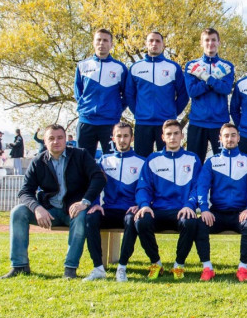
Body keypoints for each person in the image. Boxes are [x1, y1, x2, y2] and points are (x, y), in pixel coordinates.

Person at [0, 124, 106, 279]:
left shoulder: (80, 155)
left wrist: (85, 201)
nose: (56, 141)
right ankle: (20, 266)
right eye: (51, 138)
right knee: (18, 212)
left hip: (73, 211)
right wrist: (37, 208)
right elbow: (25, 191)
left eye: (60, 138)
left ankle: (70, 269)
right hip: (49, 212)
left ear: (66, 139)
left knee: (81, 216)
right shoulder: (38, 161)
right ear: (45, 141)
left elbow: (98, 177)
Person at [133, 119, 202, 280]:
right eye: (169, 134)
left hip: (181, 210)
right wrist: (144, 205)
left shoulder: (192, 159)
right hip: (158, 210)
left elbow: (197, 188)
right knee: (141, 221)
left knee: (191, 221)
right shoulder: (152, 159)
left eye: (176, 133)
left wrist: (190, 205)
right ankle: (156, 263)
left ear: (182, 136)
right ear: (163, 137)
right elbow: (143, 187)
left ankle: (179, 265)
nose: (172, 137)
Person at [196, 124, 247, 281]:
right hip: (217, 213)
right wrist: (204, 209)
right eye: (226, 135)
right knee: (199, 225)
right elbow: (202, 187)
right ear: (220, 138)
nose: (230, 139)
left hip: (240, 213)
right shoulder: (212, 161)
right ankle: (207, 268)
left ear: (238, 138)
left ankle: (242, 268)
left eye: (233, 135)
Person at [83, 122, 146, 282]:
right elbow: (95, 184)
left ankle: (121, 268)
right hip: (108, 209)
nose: (122, 140)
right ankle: (98, 268)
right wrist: (95, 203)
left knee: (133, 219)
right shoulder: (104, 161)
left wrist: (139, 204)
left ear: (132, 138)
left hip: (129, 210)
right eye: (119, 136)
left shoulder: (142, 162)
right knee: (90, 217)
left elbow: (146, 188)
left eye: (125, 136)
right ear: (113, 138)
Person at [126, 31, 188, 158]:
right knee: (141, 161)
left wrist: (172, 112)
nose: (154, 43)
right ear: (146, 44)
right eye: (151, 41)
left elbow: (183, 94)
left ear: (163, 45)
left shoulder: (173, 67)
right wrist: (138, 112)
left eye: (158, 41)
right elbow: (129, 94)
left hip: (166, 124)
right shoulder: (136, 67)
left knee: (167, 161)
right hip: (143, 123)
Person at [74, 29, 127, 158]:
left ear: (111, 44)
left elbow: (127, 95)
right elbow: (78, 91)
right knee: (82, 161)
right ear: (93, 42)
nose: (101, 43)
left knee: (113, 161)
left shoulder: (120, 68)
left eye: (105, 40)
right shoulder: (82, 65)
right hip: (86, 121)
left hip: (110, 122)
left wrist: (115, 110)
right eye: (98, 40)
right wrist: (84, 107)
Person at [184, 28, 235, 162]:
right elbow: (192, 91)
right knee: (194, 164)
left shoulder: (227, 66)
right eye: (207, 40)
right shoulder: (192, 65)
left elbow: (225, 89)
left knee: (224, 163)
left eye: (213, 40)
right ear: (201, 43)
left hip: (220, 123)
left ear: (219, 42)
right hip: (197, 122)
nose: (210, 43)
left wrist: (206, 78)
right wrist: (213, 79)